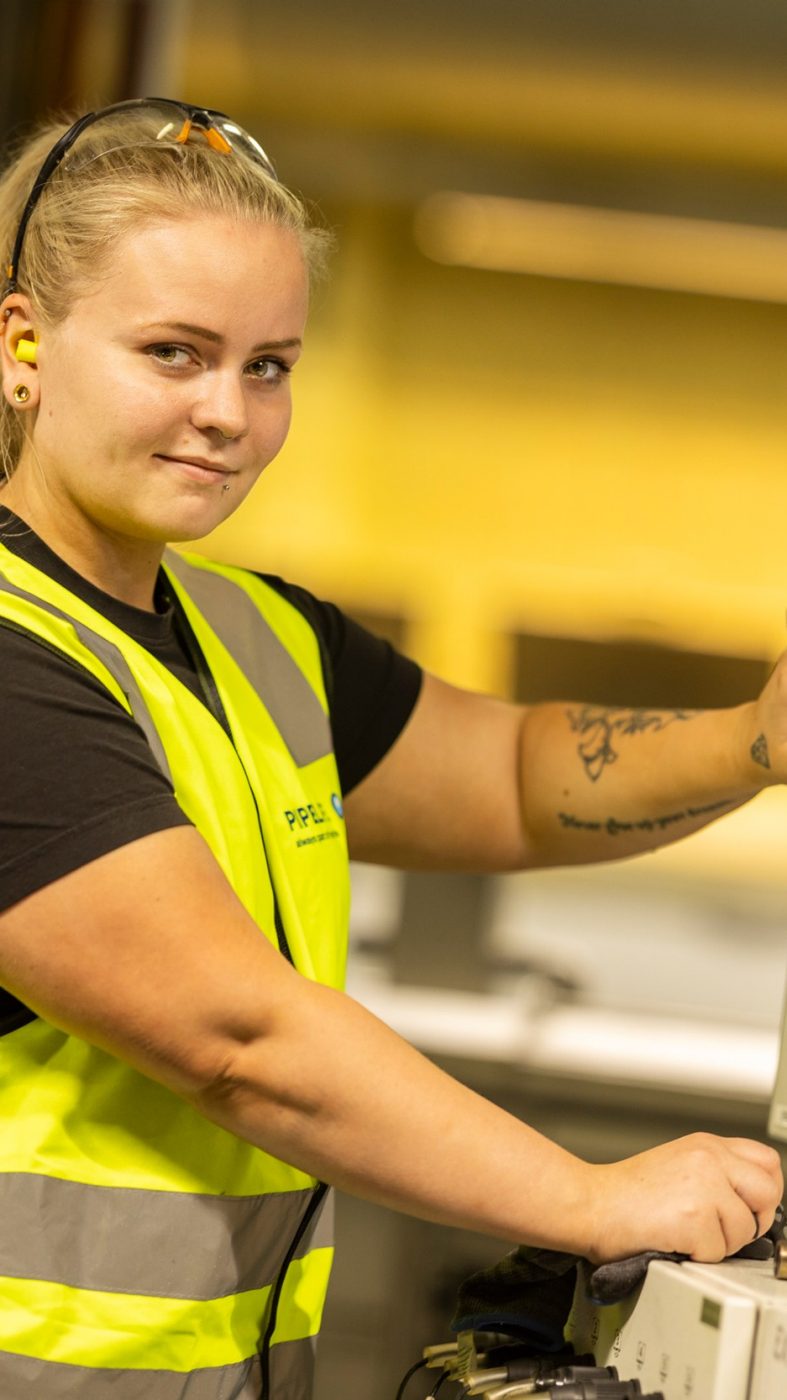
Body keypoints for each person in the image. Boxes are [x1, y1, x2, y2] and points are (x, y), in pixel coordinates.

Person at [0, 99, 781, 1400]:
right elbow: (239, 1039)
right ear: (22, 344)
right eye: (174, 353)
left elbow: (519, 780)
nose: (227, 415)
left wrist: (757, 739)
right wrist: (594, 1199)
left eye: (269, 366)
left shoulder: (254, 635)